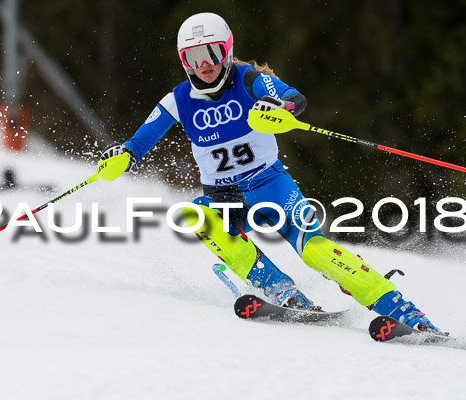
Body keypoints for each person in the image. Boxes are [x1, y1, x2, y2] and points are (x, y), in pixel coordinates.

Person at [99, 12, 440, 332]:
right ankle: (281, 291)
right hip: (224, 197)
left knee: (315, 250)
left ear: (227, 50)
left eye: (212, 53)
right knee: (197, 217)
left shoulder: (250, 80)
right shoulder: (178, 100)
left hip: (269, 185)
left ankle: (404, 311)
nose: (204, 64)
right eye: (193, 57)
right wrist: (123, 155)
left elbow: (293, 98)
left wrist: (278, 107)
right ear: (182, 60)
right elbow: (139, 142)